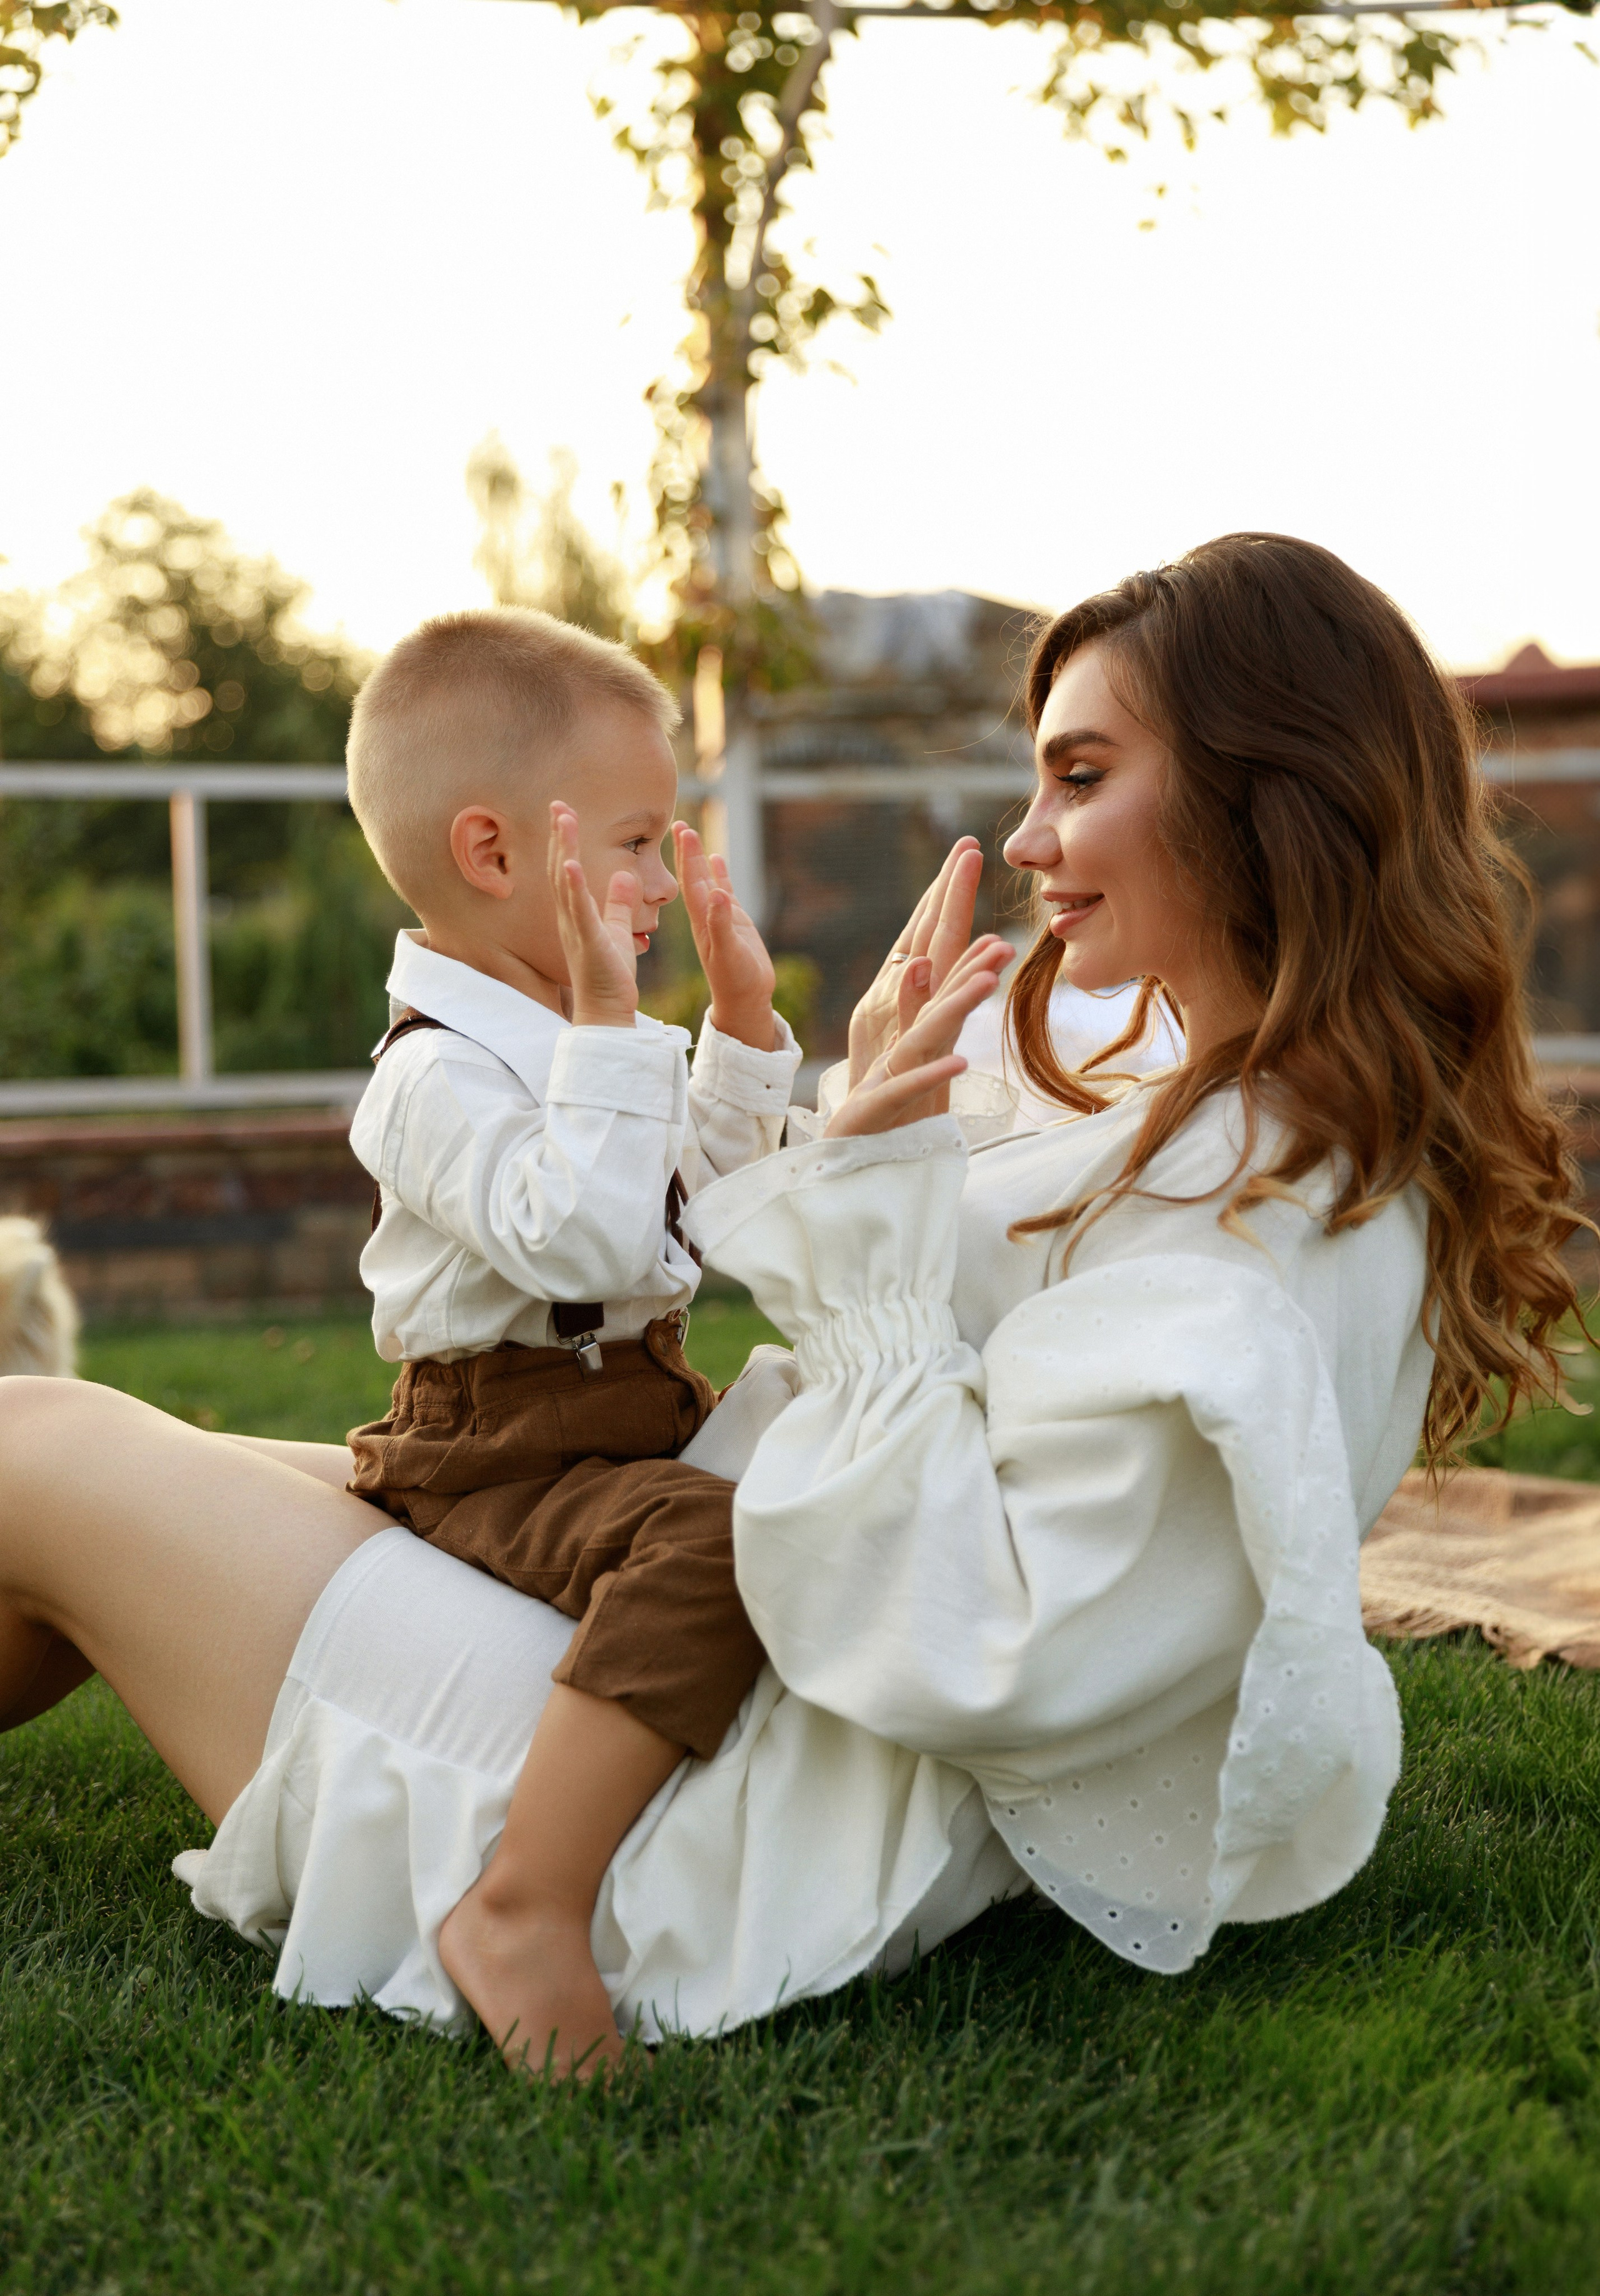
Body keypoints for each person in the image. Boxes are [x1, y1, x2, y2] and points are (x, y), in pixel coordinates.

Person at [0, 535, 1584, 2079]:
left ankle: (519, 1901)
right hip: (732, 1660)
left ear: (1265, 790)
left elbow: (995, 1652)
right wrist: (863, 1131)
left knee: (34, 1443)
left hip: (711, 1810)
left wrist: (872, 1220)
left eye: (1081, 777)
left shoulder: (1250, 1205)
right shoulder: (1235, 1122)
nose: (1027, 837)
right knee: (185, 1478)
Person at [337, 608, 801, 2074]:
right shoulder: (430, 1080)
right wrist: (610, 1031)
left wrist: (739, 1031)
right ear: (494, 853)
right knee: (706, 1543)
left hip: (619, 1417)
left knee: (826, 1453)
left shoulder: (582, 1041)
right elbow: (583, 1245)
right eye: (635, 844)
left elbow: (703, 1222)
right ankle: (525, 1901)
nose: (660, 882)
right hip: (494, 1451)